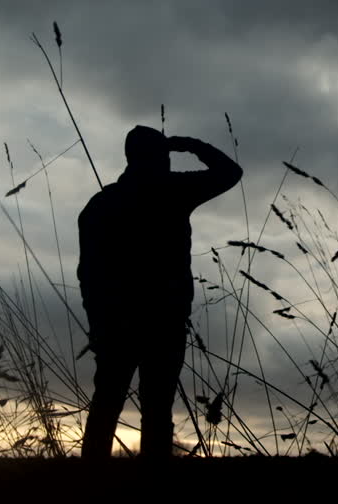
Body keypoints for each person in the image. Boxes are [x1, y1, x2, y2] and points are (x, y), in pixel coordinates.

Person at [77, 125, 242, 458]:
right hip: (164, 322)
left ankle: (89, 486)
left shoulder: (100, 205)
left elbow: (88, 275)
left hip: (114, 324)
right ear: (162, 157)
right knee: (156, 410)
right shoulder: (173, 191)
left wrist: (97, 325)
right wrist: (189, 144)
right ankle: (153, 490)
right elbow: (230, 172)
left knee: (106, 406)